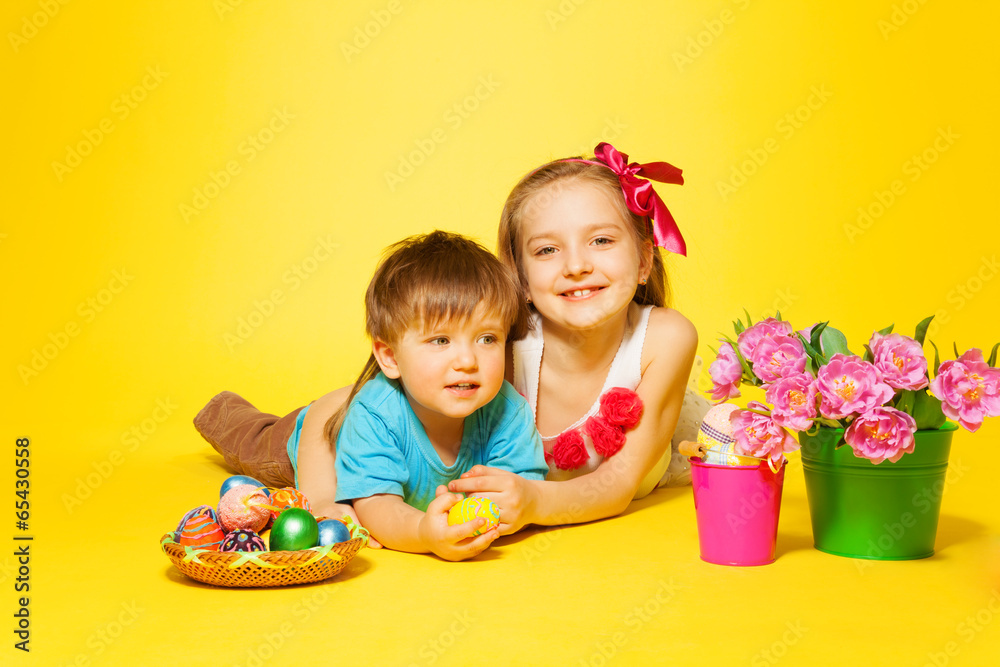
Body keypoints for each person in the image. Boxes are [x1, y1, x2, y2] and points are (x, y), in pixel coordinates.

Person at [195, 231, 548, 560]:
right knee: (252, 440)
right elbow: (376, 506)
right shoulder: (376, 414)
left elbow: (523, 491)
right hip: (313, 436)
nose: (468, 361)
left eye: (487, 339)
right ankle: (222, 410)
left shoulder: (507, 410)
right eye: (440, 340)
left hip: (359, 411)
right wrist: (424, 534)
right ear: (390, 358)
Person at [446, 142, 707, 534]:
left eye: (601, 241)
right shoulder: (505, 344)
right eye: (547, 249)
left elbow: (618, 484)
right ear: (522, 280)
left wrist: (532, 502)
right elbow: (374, 402)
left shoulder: (666, 338)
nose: (577, 266)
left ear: (644, 260)